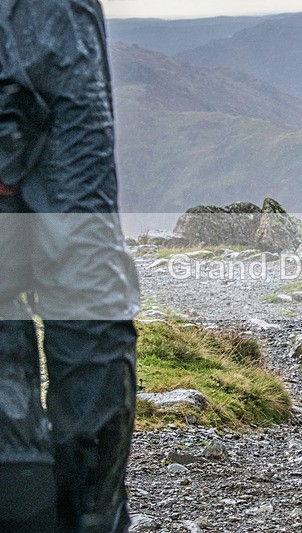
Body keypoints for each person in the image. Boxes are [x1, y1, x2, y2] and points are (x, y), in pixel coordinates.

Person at [0, 0, 140, 531]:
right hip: (62, 33)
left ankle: (86, 513)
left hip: (58, 31)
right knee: (89, 291)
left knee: (89, 292)